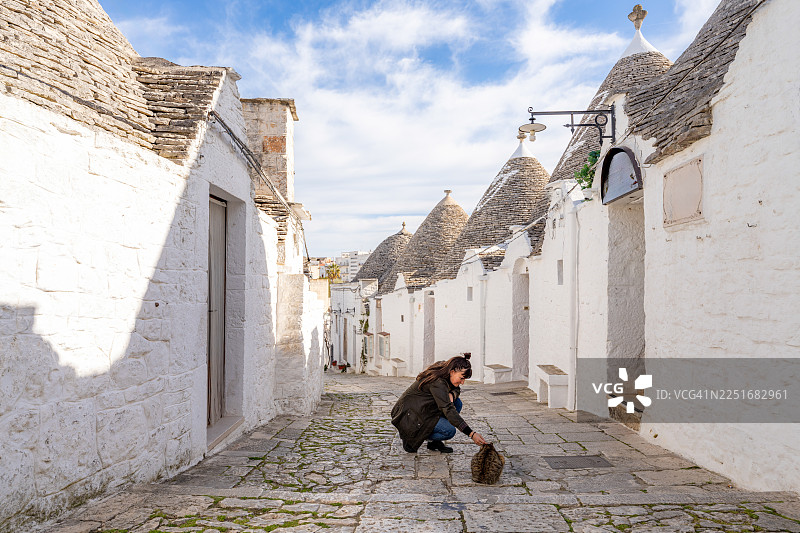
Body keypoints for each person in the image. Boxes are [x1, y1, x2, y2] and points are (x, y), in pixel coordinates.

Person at [391, 353, 488, 453]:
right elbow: (448, 410)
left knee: (457, 403)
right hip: (408, 417)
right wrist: (471, 433)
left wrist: (452, 394)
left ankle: (433, 442)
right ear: (452, 372)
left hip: (424, 409)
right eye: (461, 378)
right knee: (449, 431)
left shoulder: (445, 370)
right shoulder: (438, 382)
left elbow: (456, 388)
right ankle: (412, 437)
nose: (462, 382)